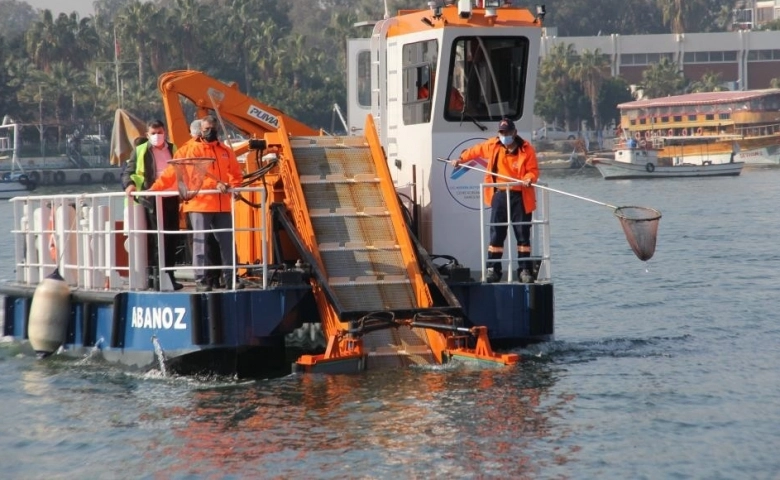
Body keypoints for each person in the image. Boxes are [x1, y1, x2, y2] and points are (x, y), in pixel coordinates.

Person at [149, 115, 244, 292]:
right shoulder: (190, 150)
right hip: (199, 203)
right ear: (201, 130)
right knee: (200, 242)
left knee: (228, 242)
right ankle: (201, 279)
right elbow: (180, 174)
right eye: (207, 129)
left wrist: (235, 188)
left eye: (213, 128)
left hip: (222, 204)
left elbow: (236, 174)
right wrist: (154, 188)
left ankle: (232, 277)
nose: (211, 132)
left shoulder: (225, 150)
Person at [450, 117, 540, 283]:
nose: (504, 135)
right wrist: (460, 159)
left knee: (523, 236)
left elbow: (533, 171)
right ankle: (493, 270)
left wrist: (529, 178)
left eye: (507, 132)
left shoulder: (527, 149)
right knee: (496, 235)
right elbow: (474, 151)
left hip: (520, 196)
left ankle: (525, 270)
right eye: (501, 132)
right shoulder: (493, 145)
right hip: (499, 195)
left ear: (515, 132)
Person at [120, 119, 182, 290]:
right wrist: (129, 185)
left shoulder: (173, 148)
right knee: (155, 238)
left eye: (159, 132)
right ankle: (155, 277)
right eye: (153, 133)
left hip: (171, 197)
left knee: (171, 237)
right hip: (151, 199)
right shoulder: (140, 151)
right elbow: (128, 171)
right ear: (147, 135)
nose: (157, 136)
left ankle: (170, 275)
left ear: (165, 133)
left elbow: (182, 170)